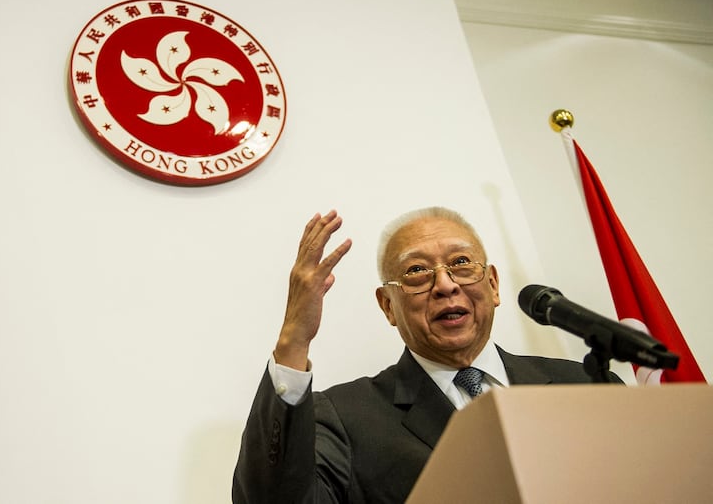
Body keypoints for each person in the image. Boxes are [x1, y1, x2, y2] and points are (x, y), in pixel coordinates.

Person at [232, 207, 620, 503]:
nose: (445, 284)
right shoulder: (345, 417)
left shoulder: (584, 385)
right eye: (417, 271)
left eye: (461, 263)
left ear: (493, 285)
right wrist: (293, 341)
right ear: (388, 306)